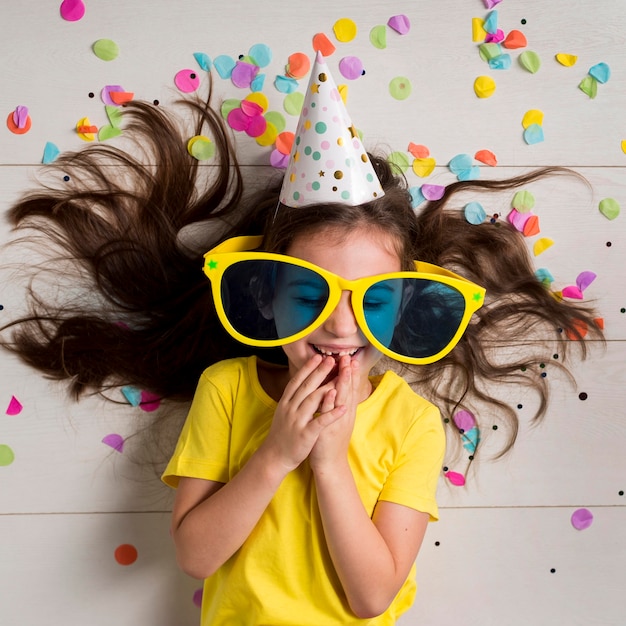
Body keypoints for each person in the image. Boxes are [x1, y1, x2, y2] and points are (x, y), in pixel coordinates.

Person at [0, 53, 602, 624]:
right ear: (265, 296)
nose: (342, 328)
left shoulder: (412, 423)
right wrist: (277, 453)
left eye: (372, 301)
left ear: (400, 309)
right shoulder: (229, 390)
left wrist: (329, 461)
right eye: (311, 297)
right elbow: (195, 556)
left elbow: (371, 596)